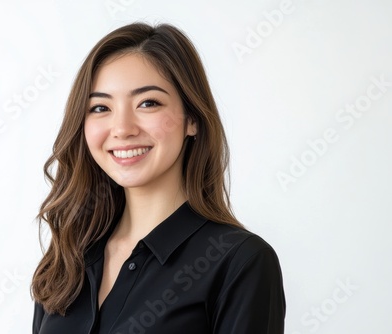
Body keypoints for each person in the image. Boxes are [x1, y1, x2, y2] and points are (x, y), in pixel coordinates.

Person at [31, 22, 285, 334]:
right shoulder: (67, 259)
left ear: (191, 118)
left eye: (148, 103)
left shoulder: (240, 262)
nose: (122, 128)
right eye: (100, 107)